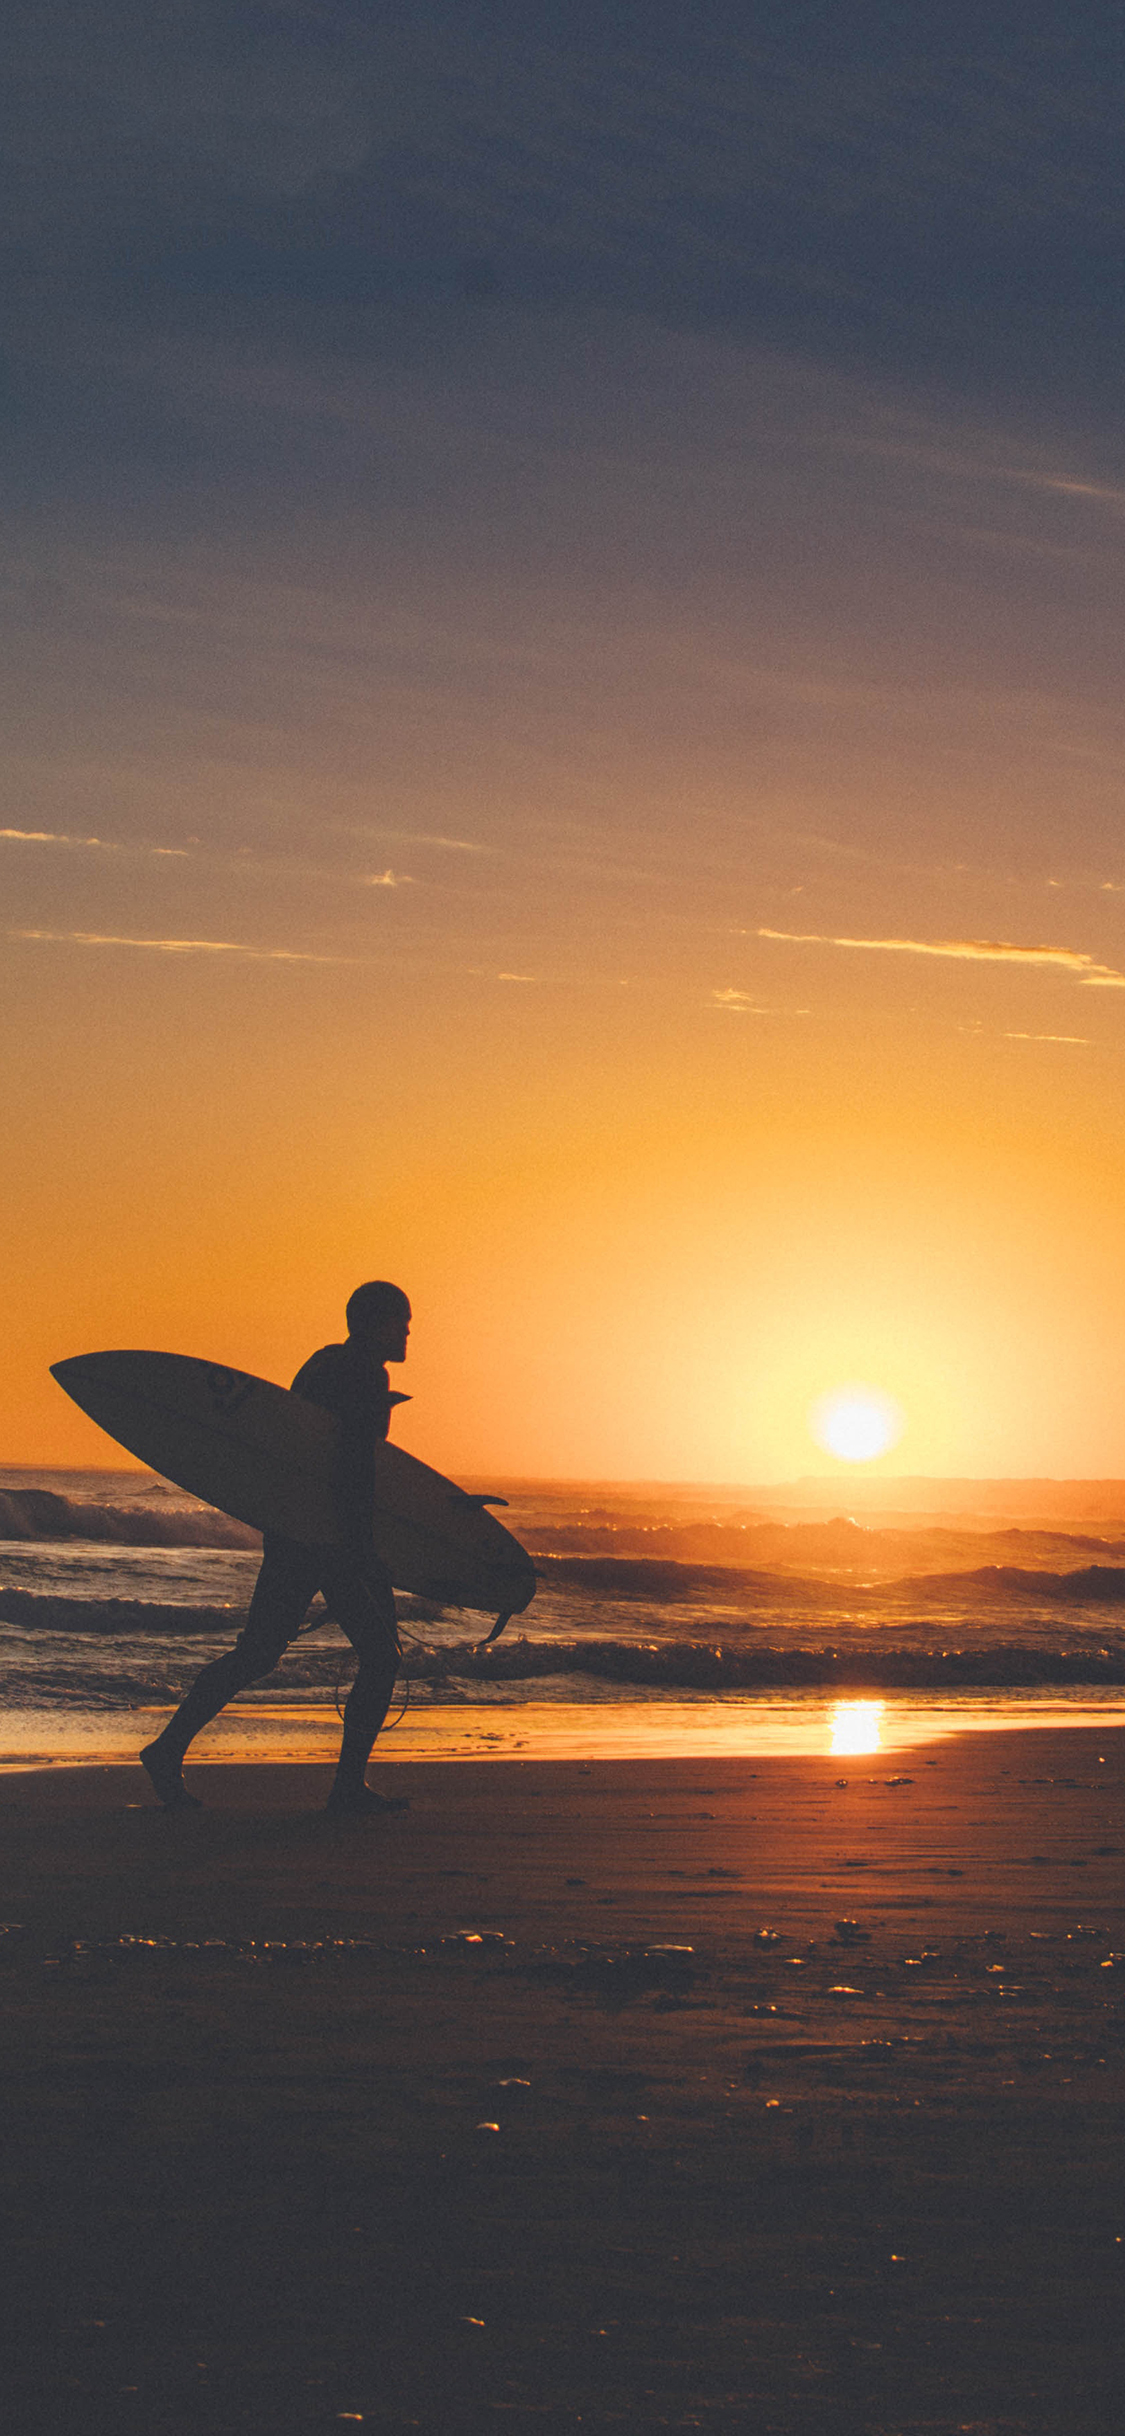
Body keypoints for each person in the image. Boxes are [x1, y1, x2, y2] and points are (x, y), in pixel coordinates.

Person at [141, 1282, 413, 1816]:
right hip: (333, 1538)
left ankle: (167, 1748)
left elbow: (293, 1452)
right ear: (373, 1322)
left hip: (293, 1530)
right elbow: (351, 1467)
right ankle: (346, 1790)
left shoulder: (321, 1365)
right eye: (401, 1321)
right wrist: (361, 1547)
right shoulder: (364, 1374)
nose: (408, 1332)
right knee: (381, 1658)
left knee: (260, 1651)